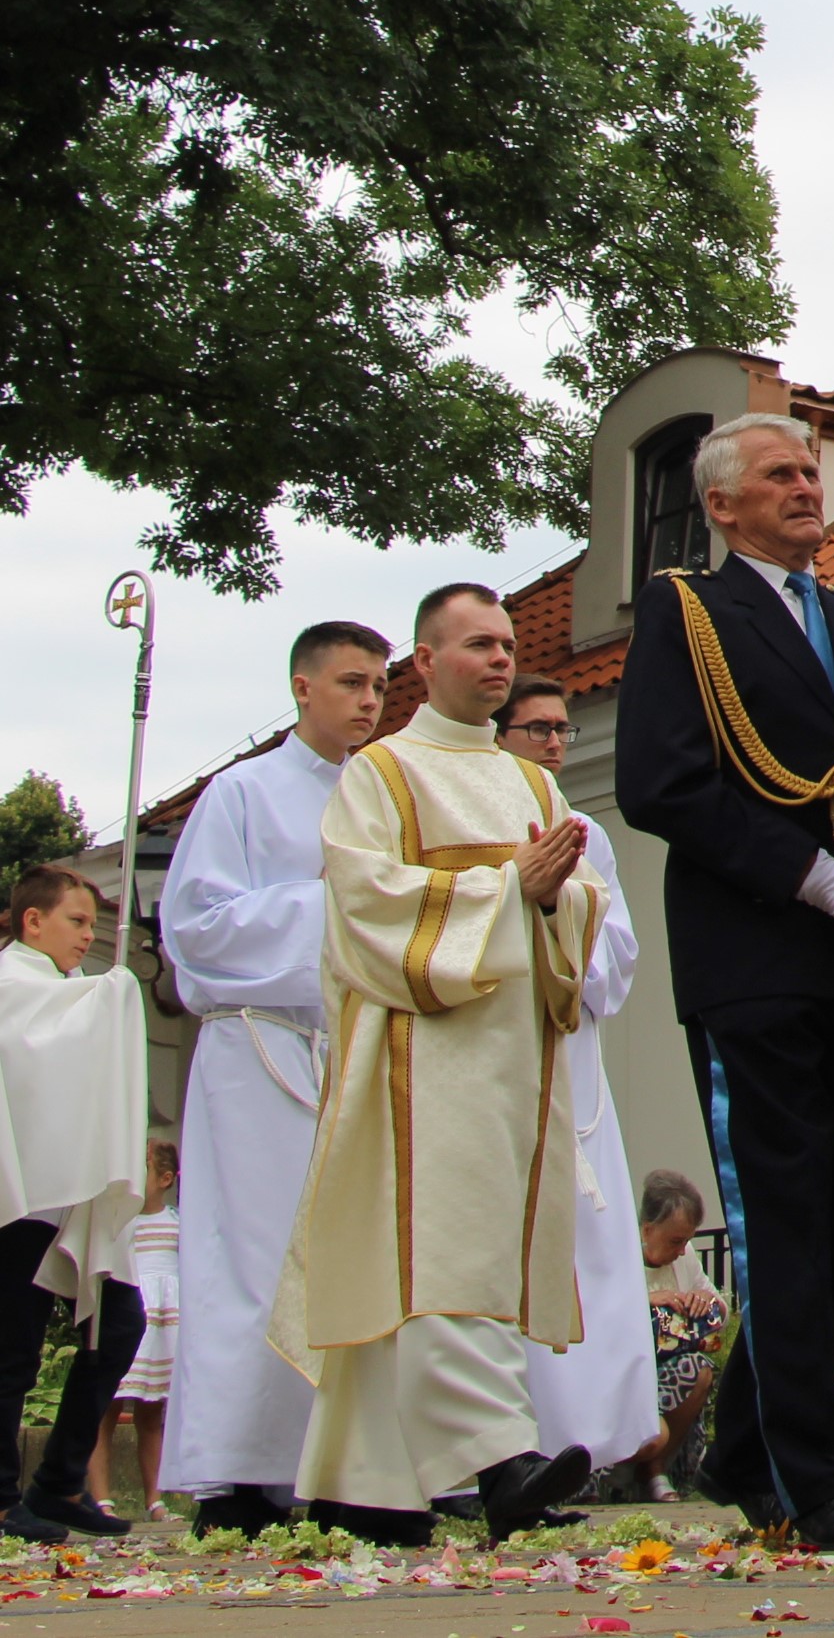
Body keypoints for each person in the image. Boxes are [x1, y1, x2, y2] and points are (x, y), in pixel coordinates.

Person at [615, 411, 834, 1549]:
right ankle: (820, 1474)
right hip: (759, 949)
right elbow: (660, 783)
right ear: (722, 505)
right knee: (785, 1204)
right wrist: (810, 874)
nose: (808, 488)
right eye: (781, 475)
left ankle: (755, 1442)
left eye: (813, 471)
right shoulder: (687, 612)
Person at [270, 584, 606, 1544]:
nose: (500, 660)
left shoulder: (534, 783)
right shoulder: (380, 771)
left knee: (424, 1262)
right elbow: (364, 904)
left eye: (506, 645)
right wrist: (509, 892)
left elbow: (582, 906)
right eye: (477, 646)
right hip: (420, 1052)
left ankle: (359, 1487)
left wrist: (548, 903)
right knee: (440, 1255)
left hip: (513, 1059)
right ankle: (503, 1464)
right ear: (425, 661)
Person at [162, 619, 388, 1533]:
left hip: (352, 1046)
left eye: (378, 684)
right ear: (302, 688)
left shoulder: (381, 798)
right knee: (253, 1257)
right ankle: (236, 1472)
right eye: (350, 683)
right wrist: (336, 911)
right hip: (259, 1046)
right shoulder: (242, 794)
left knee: (343, 1261)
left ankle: (326, 1461)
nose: (370, 700)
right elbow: (198, 928)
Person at [493, 679, 659, 1493]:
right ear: (501, 737)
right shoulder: (481, 816)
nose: (555, 742)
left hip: (574, 1048)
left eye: (563, 728)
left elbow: (619, 948)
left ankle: (591, 1444)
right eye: (537, 728)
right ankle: (509, 1445)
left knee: (588, 1248)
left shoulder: (588, 831)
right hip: (502, 1049)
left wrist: (568, 938)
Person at [0, 867, 151, 1540]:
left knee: (116, 1325)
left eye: (94, 924)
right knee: (13, 1351)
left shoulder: (66, 992)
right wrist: (107, 996)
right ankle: (4, 1500)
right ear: (34, 921)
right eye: (78, 922)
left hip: (71, 1200)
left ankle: (59, 1482)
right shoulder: (12, 986)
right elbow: (33, 1054)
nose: (90, 936)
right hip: (21, 1196)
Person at [99, 1139, 179, 1522]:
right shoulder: (120, 1223)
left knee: (151, 1412)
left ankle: (155, 1499)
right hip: (131, 1319)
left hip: (162, 1326)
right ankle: (101, 1499)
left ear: (164, 1179)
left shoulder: (177, 1224)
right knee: (106, 1408)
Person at [633, 1176, 725, 1501]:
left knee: (700, 1370)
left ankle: (653, 1471)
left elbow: (719, 1306)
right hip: (625, 1374)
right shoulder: (620, 1256)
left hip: (667, 1371)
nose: (682, 1249)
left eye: (687, 1240)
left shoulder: (684, 1257)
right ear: (646, 1231)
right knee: (656, 1434)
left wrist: (704, 1301)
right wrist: (642, 1299)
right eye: (675, 1241)